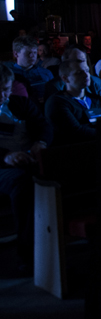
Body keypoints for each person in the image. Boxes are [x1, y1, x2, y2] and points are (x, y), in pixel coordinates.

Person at [0, 63, 53, 271]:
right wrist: (7, 156)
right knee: (22, 183)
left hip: (29, 158)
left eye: (6, 89)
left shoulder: (19, 103)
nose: (3, 95)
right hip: (3, 166)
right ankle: (29, 256)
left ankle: (55, 245)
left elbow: (43, 125)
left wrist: (41, 142)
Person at [45, 59, 101, 145]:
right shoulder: (56, 102)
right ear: (65, 78)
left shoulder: (97, 100)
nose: (86, 75)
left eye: (87, 71)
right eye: (79, 72)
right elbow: (75, 131)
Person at [5, 36, 54, 102]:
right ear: (16, 54)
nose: (32, 56)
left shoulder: (46, 73)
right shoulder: (7, 74)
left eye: (34, 52)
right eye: (28, 53)